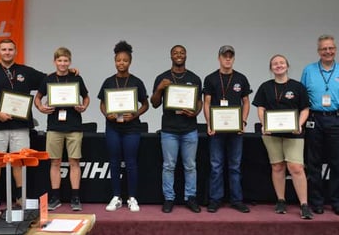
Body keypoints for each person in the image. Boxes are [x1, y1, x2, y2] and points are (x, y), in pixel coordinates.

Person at [0, 39, 46, 206]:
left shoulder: (26, 71)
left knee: (19, 161)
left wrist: (69, 72)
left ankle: (20, 197)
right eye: (4, 49)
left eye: (10, 49)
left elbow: (48, 81)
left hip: (20, 126)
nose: (7, 52)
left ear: (15, 52)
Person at [301, 34, 339, 216]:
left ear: (335, 49)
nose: (328, 51)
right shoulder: (308, 70)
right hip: (314, 120)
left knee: (336, 163)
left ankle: (336, 202)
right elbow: (302, 99)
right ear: (318, 51)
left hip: (337, 120)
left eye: (331, 48)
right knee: (314, 163)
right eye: (324, 48)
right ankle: (317, 202)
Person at [252, 54, 313, 219]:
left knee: (296, 168)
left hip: (294, 134)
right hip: (272, 134)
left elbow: (305, 109)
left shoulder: (298, 87)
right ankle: (281, 200)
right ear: (271, 68)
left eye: (281, 63)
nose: (278, 65)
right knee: (277, 167)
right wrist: (264, 124)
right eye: (275, 63)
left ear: (287, 65)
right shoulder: (265, 87)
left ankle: (304, 204)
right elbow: (260, 108)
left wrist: (299, 124)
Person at [34, 47, 90, 211]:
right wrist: (40, 107)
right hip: (54, 127)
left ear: (70, 62)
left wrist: (84, 106)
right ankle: (55, 197)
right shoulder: (48, 79)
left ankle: (75, 197)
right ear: (54, 62)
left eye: (66, 60)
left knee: (74, 162)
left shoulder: (76, 78)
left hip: (73, 126)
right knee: (55, 162)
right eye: (60, 60)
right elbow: (38, 97)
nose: (63, 63)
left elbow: (86, 96)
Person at [97, 41, 149, 212]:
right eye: (118, 60)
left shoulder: (137, 82)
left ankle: (132, 198)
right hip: (113, 127)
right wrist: (107, 114)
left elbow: (145, 104)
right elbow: (102, 104)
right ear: (115, 61)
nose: (121, 63)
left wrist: (134, 114)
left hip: (132, 128)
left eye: (125, 60)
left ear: (130, 62)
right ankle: (116, 197)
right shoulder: (108, 81)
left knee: (131, 162)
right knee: (114, 162)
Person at [150, 44, 202, 213]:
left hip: (189, 129)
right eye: (175, 53)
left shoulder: (194, 78)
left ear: (186, 56)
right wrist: (160, 88)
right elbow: (155, 104)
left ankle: (190, 198)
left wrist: (195, 112)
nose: (179, 55)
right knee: (168, 166)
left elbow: (199, 102)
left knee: (190, 166)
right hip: (169, 130)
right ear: (171, 56)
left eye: (182, 53)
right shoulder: (162, 77)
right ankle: (169, 198)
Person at [202, 45, 251, 213]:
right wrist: (209, 123)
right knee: (216, 165)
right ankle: (215, 200)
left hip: (235, 130)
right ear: (219, 58)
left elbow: (246, 101)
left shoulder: (241, 79)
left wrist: (243, 122)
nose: (228, 59)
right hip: (216, 130)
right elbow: (207, 103)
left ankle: (237, 200)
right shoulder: (210, 79)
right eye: (225, 56)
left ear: (234, 58)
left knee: (235, 166)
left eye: (231, 56)